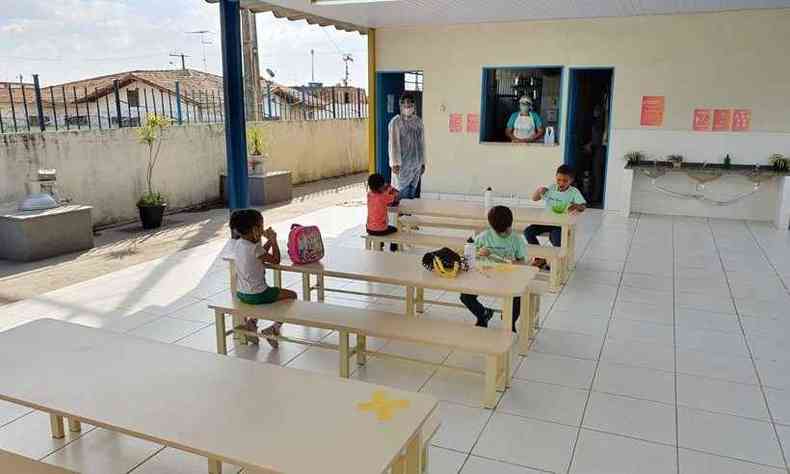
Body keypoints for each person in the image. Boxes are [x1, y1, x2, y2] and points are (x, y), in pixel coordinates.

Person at [228, 209, 297, 348]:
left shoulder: (239, 244)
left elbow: (260, 253)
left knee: (265, 297)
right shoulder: (254, 248)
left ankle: (251, 324)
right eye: (261, 226)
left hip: (242, 294)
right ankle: (274, 329)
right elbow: (275, 260)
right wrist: (273, 240)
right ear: (254, 229)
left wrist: (268, 242)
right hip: (258, 294)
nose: (262, 230)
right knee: (292, 295)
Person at [460, 206, 525, 332]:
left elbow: (523, 261)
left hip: (508, 277)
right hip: (485, 275)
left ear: (509, 224)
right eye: (497, 231)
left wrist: (516, 262)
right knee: (465, 296)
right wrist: (478, 253)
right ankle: (483, 314)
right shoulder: (483, 237)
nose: (500, 234)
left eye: (503, 231)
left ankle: (509, 322)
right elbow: (470, 256)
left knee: (518, 297)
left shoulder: (516, 239)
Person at [524, 164, 586, 268]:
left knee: (555, 238)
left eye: (565, 181)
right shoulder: (552, 187)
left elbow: (583, 206)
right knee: (528, 231)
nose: (561, 183)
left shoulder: (574, 192)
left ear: (571, 180)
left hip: (561, 224)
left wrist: (575, 206)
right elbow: (534, 199)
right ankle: (540, 258)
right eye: (559, 180)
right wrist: (539, 191)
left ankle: (557, 262)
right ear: (556, 177)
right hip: (546, 221)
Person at [388, 94, 425, 199]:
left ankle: (409, 215)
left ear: (413, 105)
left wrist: (422, 162)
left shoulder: (418, 122)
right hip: (402, 167)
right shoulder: (396, 122)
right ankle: (402, 215)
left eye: (410, 104)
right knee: (402, 198)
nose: (408, 107)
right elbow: (393, 144)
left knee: (412, 197)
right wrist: (395, 163)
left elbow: (422, 143)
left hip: (416, 166)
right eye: (405, 104)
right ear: (401, 105)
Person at [366, 173, 400, 251]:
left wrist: (384, 189)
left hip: (369, 228)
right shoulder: (383, 197)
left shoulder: (369, 195)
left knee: (378, 226)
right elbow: (397, 196)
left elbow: (378, 197)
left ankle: (380, 245)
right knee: (395, 229)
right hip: (381, 229)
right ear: (381, 186)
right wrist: (389, 187)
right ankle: (393, 249)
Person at [583, 103, 608, 204]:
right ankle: (596, 196)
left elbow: (597, 139)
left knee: (597, 174)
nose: (594, 112)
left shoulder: (599, 122)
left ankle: (596, 197)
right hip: (600, 149)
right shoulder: (602, 121)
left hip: (599, 150)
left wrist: (589, 145)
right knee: (598, 174)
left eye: (596, 110)